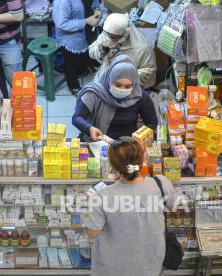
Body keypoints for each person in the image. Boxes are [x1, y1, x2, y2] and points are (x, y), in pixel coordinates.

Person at [85, 137, 177, 276]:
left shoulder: (102, 196)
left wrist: (90, 205)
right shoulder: (161, 184)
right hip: (151, 264)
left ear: (113, 165)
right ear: (142, 159)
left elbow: (92, 233)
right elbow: (173, 207)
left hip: (113, 267)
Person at [72, 55, 158, 142]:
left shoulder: (139, 96)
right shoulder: (95, 93)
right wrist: (89, 129)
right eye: (117, 85)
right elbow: (77, 117)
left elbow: (152, 123)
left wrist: (141, 137)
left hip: (127, 146)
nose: (122, 89)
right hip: (98, 144)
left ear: (134, 84)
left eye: (128, 86)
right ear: (109, 80)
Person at [89, 13, 157, 88]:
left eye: (115, 38)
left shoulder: (142, 48)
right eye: (109, 36)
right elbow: (91, 52)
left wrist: (125, 76)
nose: (111, 40)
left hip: (128, 86)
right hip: (105, 78)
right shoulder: (107, 34)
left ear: (126, 34)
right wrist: (102, 47)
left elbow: (149, 70)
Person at [53, 0, 101, 95]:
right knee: (71, 64)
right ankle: (74, 86)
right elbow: (61, 23)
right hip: (71, 38)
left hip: (89, 32)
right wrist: (86, 21)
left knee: (85, 55)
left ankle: (83, 69)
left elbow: (95, 5)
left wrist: (97, 10)